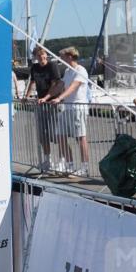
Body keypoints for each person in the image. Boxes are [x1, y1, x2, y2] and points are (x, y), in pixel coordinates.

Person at [44, 47, 91, 176]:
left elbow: (73, 87)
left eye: (62, 56)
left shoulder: (80, 70)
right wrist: (46, 97)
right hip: (67, 108)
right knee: (60, 136)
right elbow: (60, 86)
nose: (60, 59)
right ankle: (69, 165)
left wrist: (59, 98)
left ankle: (85, 167)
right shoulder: (67, 71)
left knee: (80, 137)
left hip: (77, 108)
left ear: (70, 56)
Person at [26, 47, 66, 172]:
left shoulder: (52, 66)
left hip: (53, 102)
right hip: (41, 103)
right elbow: (32, 83)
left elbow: (55, 84)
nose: (42, 59)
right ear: (36, 57)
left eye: (43, 56)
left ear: (46, 55)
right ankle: (47, 160)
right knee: (43, 134)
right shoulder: (35, 68)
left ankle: (63, 161)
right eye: (39, 56)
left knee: (57, 133)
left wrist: (46, 97)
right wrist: (26, 96)